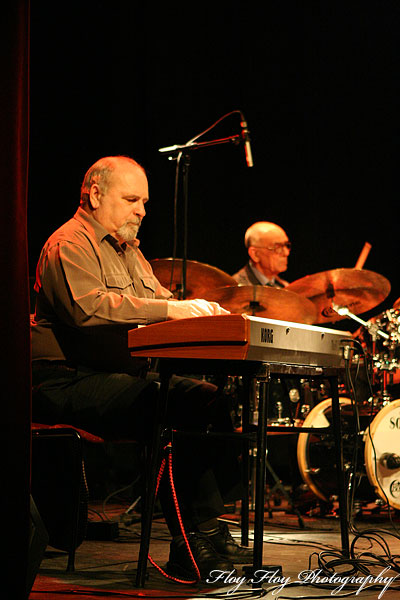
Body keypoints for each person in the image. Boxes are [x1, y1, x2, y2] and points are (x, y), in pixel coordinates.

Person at [31, 155, 252, 581]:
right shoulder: (68, 245)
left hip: (114, 376)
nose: (142, 211)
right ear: (95, 195)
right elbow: (88, 309)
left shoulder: (130, 252)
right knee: (169, 405)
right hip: (64, 380)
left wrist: (213, 319)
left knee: (207, 400)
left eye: (145, 201)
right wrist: (174, 309)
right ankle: (189, 545)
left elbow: (162, 302)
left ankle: (207, 527)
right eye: (132, 199)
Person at [232, 221, 291, 287]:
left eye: (286, 245)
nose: (286, 253)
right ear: (255, 254)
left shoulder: (283, 285)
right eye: (277, 247)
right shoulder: (238, 289)